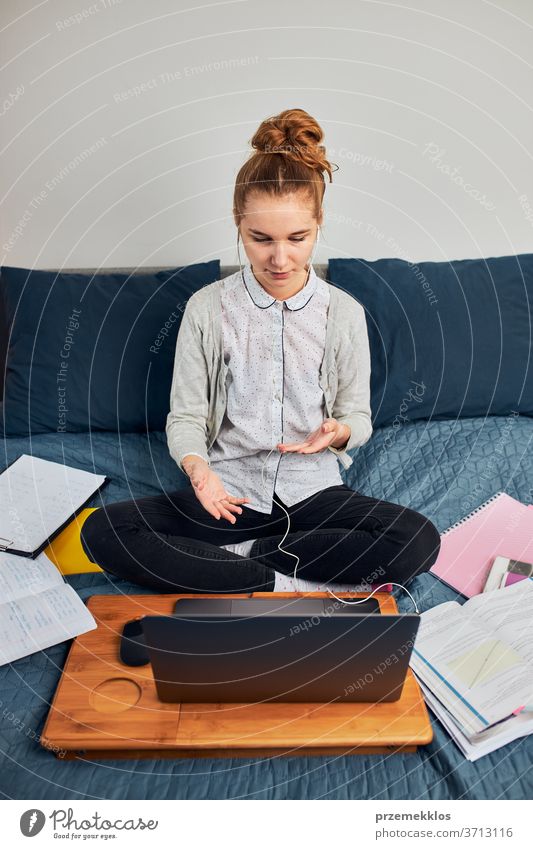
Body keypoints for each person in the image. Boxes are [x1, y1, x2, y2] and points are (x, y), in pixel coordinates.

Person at [80, 107, 441, 594]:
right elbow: (186, 416)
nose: (279, 258)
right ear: (238, 224)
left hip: (314, 495)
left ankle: (238, 564)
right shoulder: (206, 309)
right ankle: (279, 580)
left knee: (417, 539)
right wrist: (199, 471)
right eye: (260, 239)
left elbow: (358, 416)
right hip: (230, 495)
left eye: (297, 238)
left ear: (318, 224)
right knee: (104, 531)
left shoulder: (344, 313)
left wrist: (338, 432)